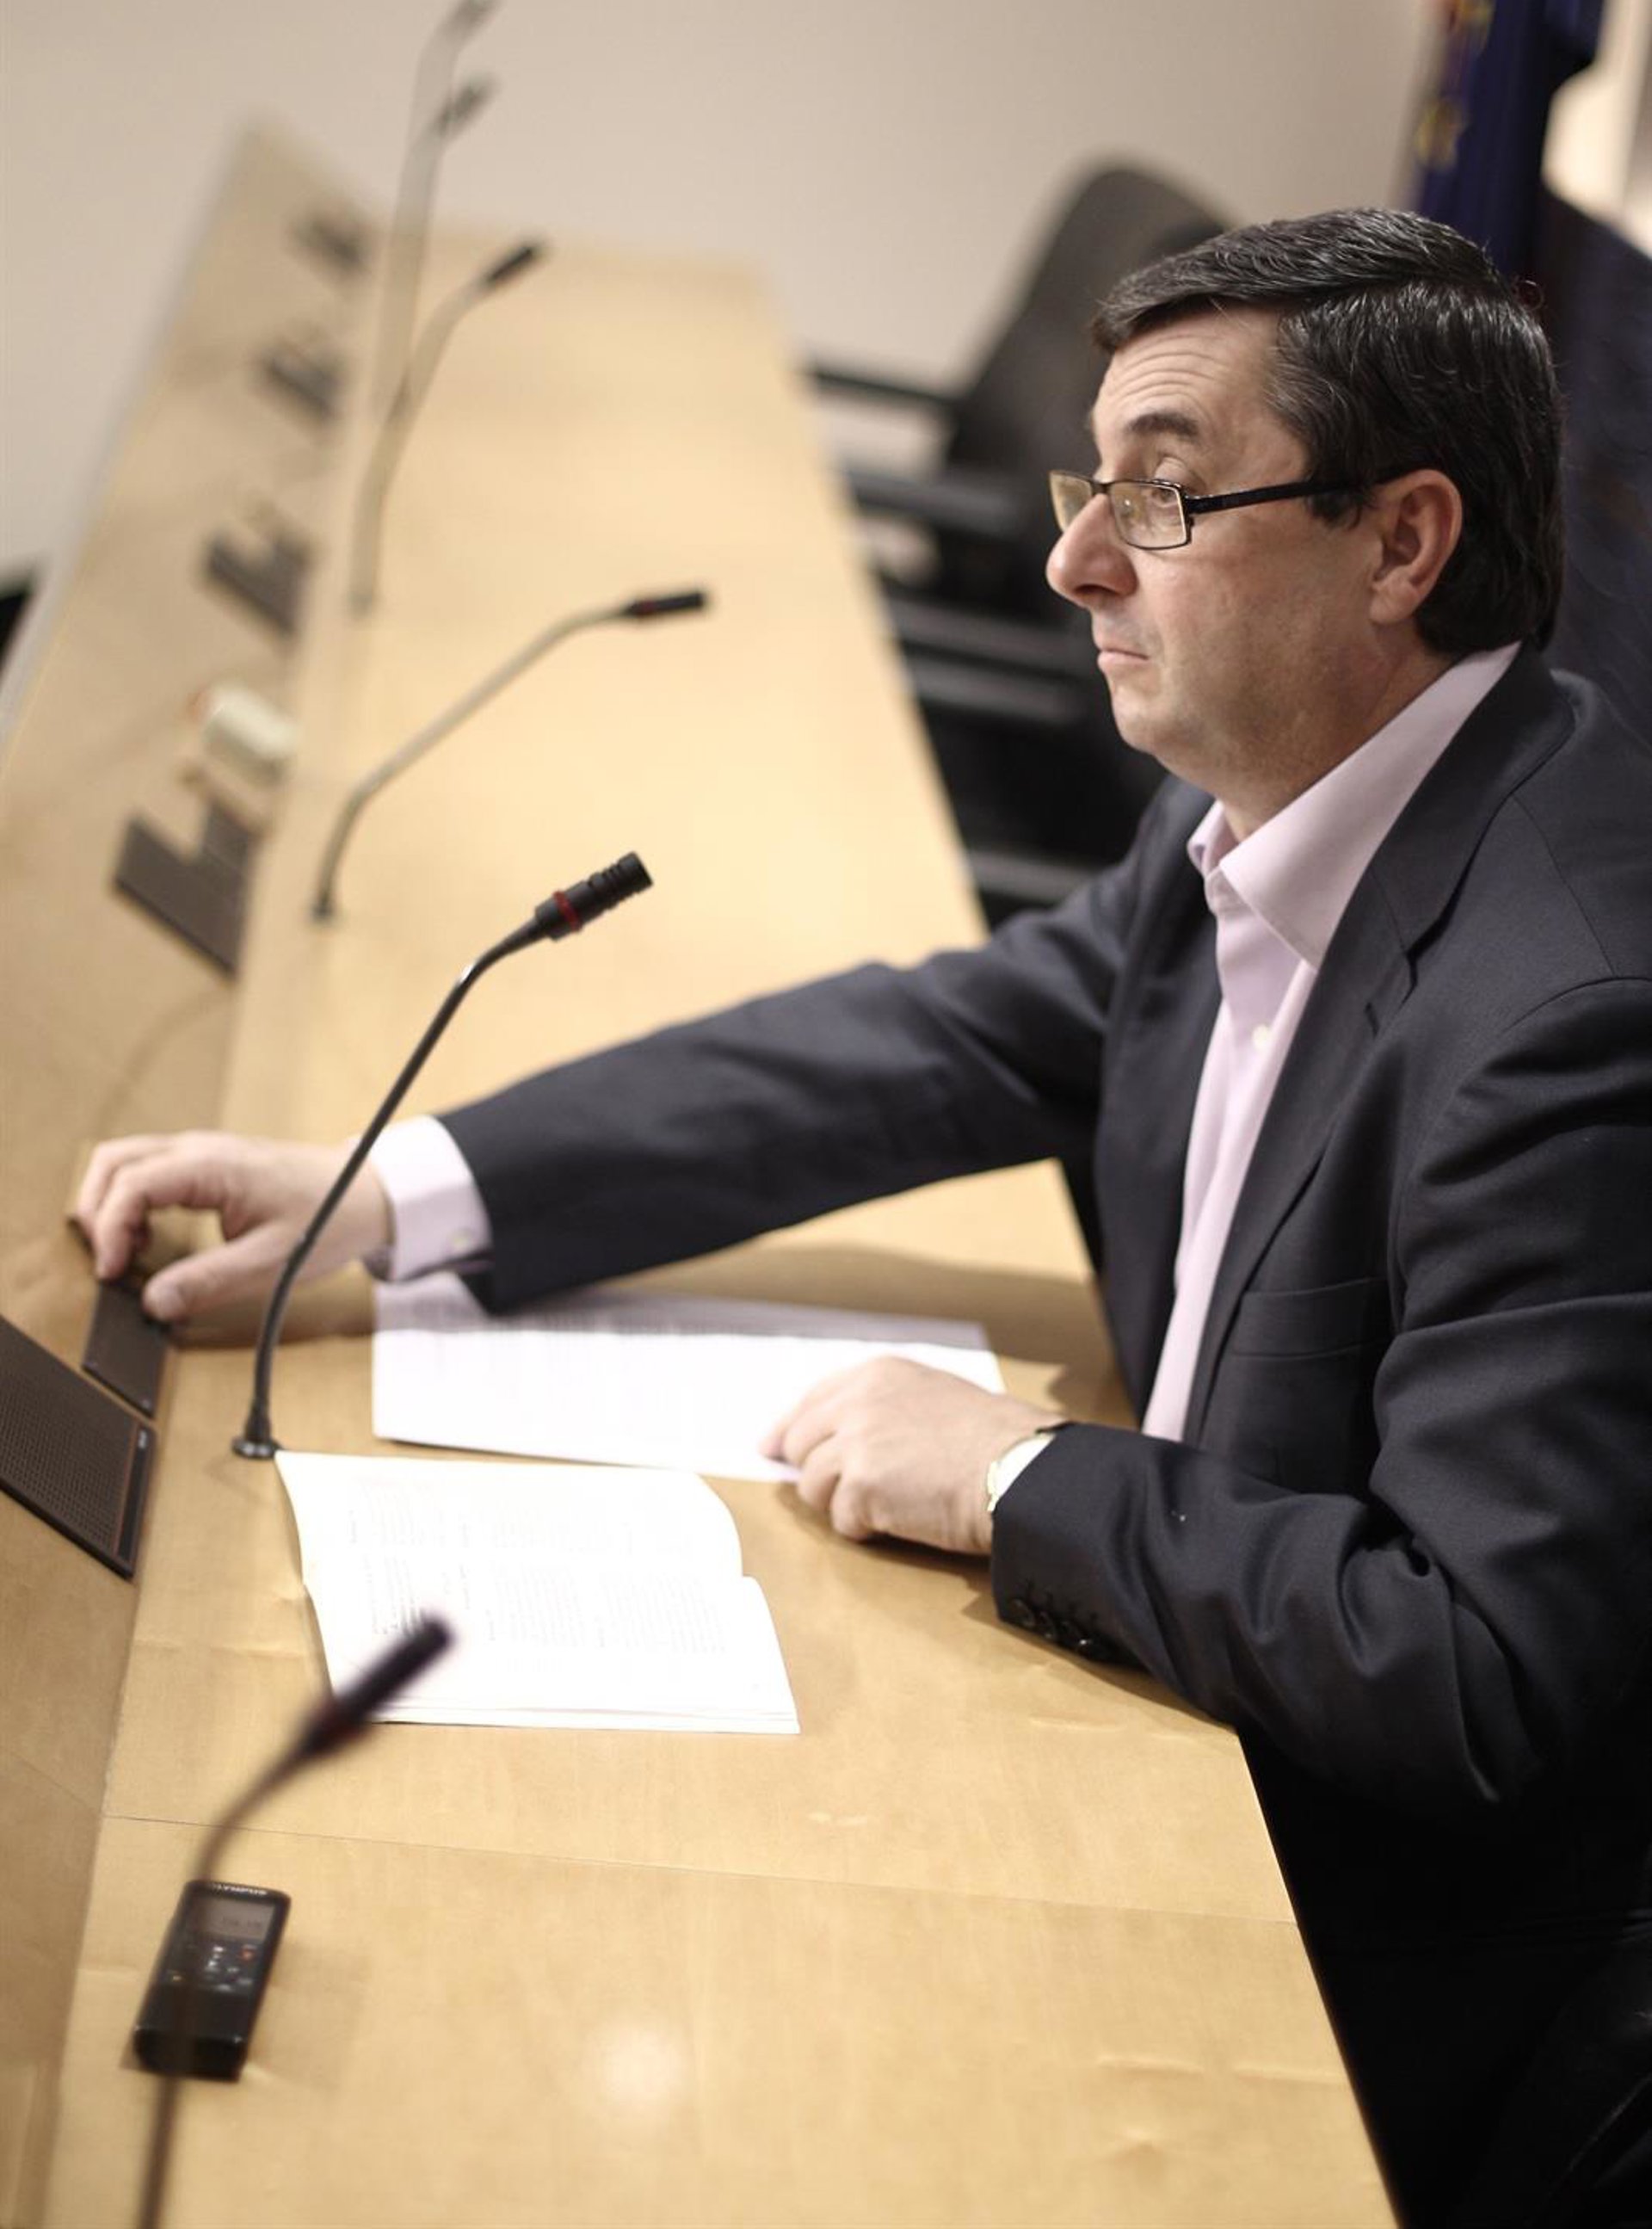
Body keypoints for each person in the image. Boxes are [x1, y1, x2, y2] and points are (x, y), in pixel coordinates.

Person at [77, 210, 1652, 2226]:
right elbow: (941, 1039)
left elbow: (1476, 1665)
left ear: (1402, 544)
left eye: (1164, 498)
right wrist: (397, 1186)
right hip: (1164, 1706)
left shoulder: (1568, 1010)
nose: (1078, 564)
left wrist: (1011, 1477)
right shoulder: (1302, 784)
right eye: (1094, 487)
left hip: (1312, 1963)